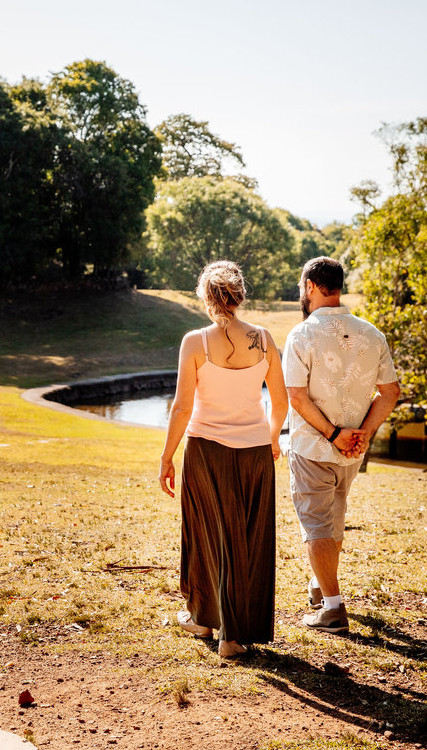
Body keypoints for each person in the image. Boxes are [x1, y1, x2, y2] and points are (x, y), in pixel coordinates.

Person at [158, 261, 289, 659]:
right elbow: (280, 404)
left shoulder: (194, 341)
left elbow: (181, 407)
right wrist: (269, 440)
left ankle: (221, 633)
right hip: (254, 453)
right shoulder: (264, 339)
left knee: (205, 537)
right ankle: (214, 624)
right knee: (246, 540)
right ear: (240, 296)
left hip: (205, 451)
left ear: (205, 296)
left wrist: (167, 457)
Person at [283, 257, 400, 634]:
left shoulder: (301, 335)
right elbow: (391, 392)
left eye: (304, 286)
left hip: (315, 447)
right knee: (332, 518)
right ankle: (320, 588)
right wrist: (362, 433)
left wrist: (334, 435)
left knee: (317, 525)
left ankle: (332, 609)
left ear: (311, 287)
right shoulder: (371, 332)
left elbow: (297, 398)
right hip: (351, 451)